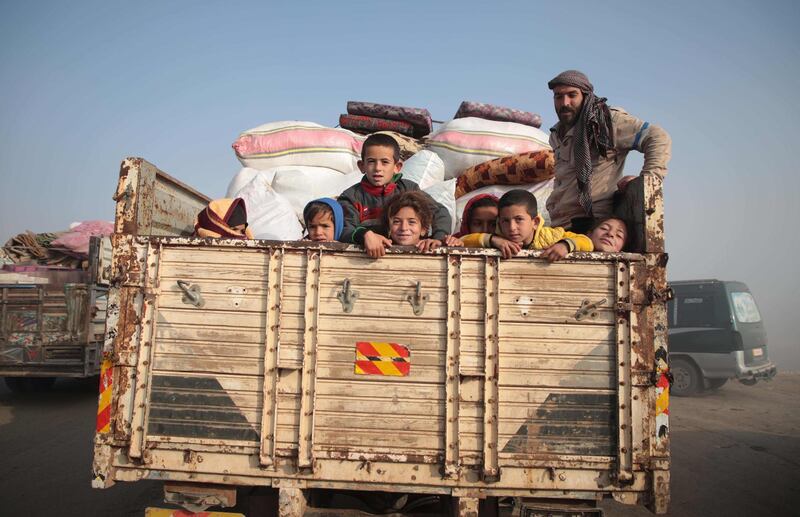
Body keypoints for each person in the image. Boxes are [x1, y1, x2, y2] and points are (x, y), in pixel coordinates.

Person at [546, 70, 671, 233]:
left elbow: (657, 136)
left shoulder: (606, 121)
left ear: (585, 96)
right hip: (560, 223)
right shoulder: (556, 133)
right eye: (558, 96)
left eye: (572, 95)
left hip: (593, 224)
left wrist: (649, 180)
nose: (565, 103)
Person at [338, 133, 452, 257]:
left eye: (385, 162)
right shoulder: (351, 197)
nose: (377, 168)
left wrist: (438, 238)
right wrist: (365, 235)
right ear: (362, 166)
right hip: (366, 260)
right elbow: (343, 229)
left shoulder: (408, 189)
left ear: (397, 167)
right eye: (371, 161)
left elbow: (439, 212)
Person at [462, 189, 592, 261]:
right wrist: (494, 240)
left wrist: (565, 245)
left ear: (534, 222)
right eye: (505, 221)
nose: (511, 228)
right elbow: (463, 241)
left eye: (518, 219)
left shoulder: (550, 236)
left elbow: (587, 242)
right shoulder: (498, 235)